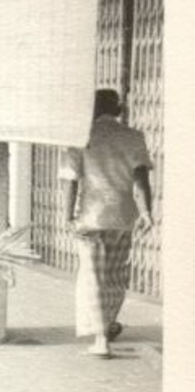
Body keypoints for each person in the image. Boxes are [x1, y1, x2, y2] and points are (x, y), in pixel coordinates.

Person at [59, 89, 154, 359]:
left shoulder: (81, 138)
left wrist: (67, 215)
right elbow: (141, 179)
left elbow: (71, 179)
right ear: (119, 109)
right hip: (123, 218)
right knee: (114, 276)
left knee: (93, 278)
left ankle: (101, 340)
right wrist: (147, 212)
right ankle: (108, 326)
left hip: (92, 219)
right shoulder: (133, 137)